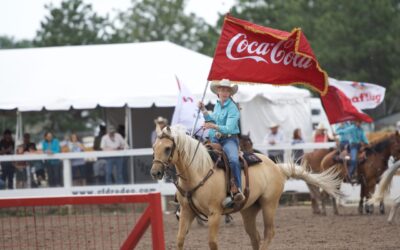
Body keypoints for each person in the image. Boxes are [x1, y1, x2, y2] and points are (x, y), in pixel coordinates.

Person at [198, 79, 244, 208]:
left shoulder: (233, 108)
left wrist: (213, 126)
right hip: (215, 140)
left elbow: (229, 128)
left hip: (229, 139)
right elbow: (212, 119)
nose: (224, 92)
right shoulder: (217, 105)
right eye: (222, 89)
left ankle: (237, 189)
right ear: (217, 91)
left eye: (226, 90)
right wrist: (203, 110)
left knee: (234, 160)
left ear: (230, 93)